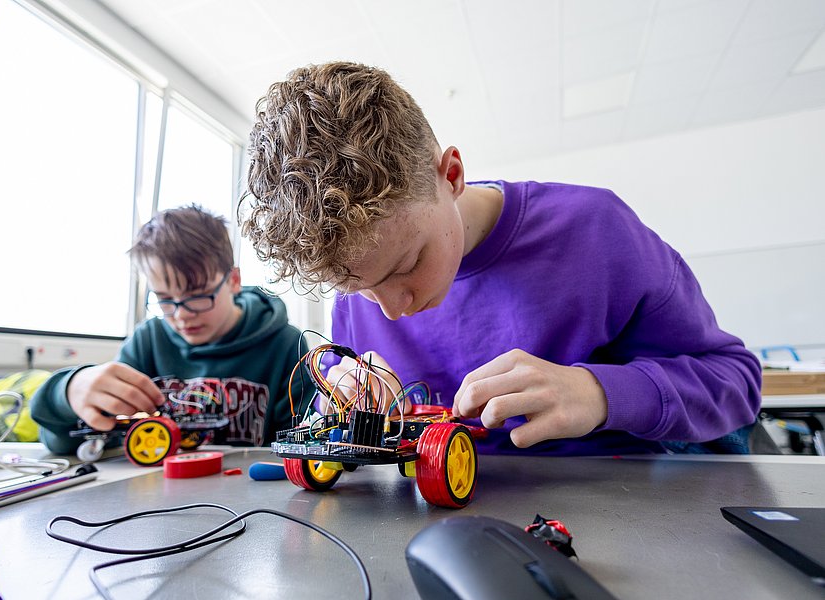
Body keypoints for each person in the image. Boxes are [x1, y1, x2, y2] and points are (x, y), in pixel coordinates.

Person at [238, 61, 762, 456]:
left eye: (407, 266)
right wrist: (346, 402)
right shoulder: (359, 285)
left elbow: (736, 383)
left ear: (451, 176)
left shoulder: (596, 230)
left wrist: (599, 393)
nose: (392, 310)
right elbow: (338, 408)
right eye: (359, 290)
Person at [31, 204, 310, 455]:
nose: (181, 315)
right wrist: (67, 391)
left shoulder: (287, 345)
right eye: (164, 299)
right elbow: (65, 443)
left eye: (198, 296)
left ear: (233, 280)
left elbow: (302, 448)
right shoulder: (148, 341)